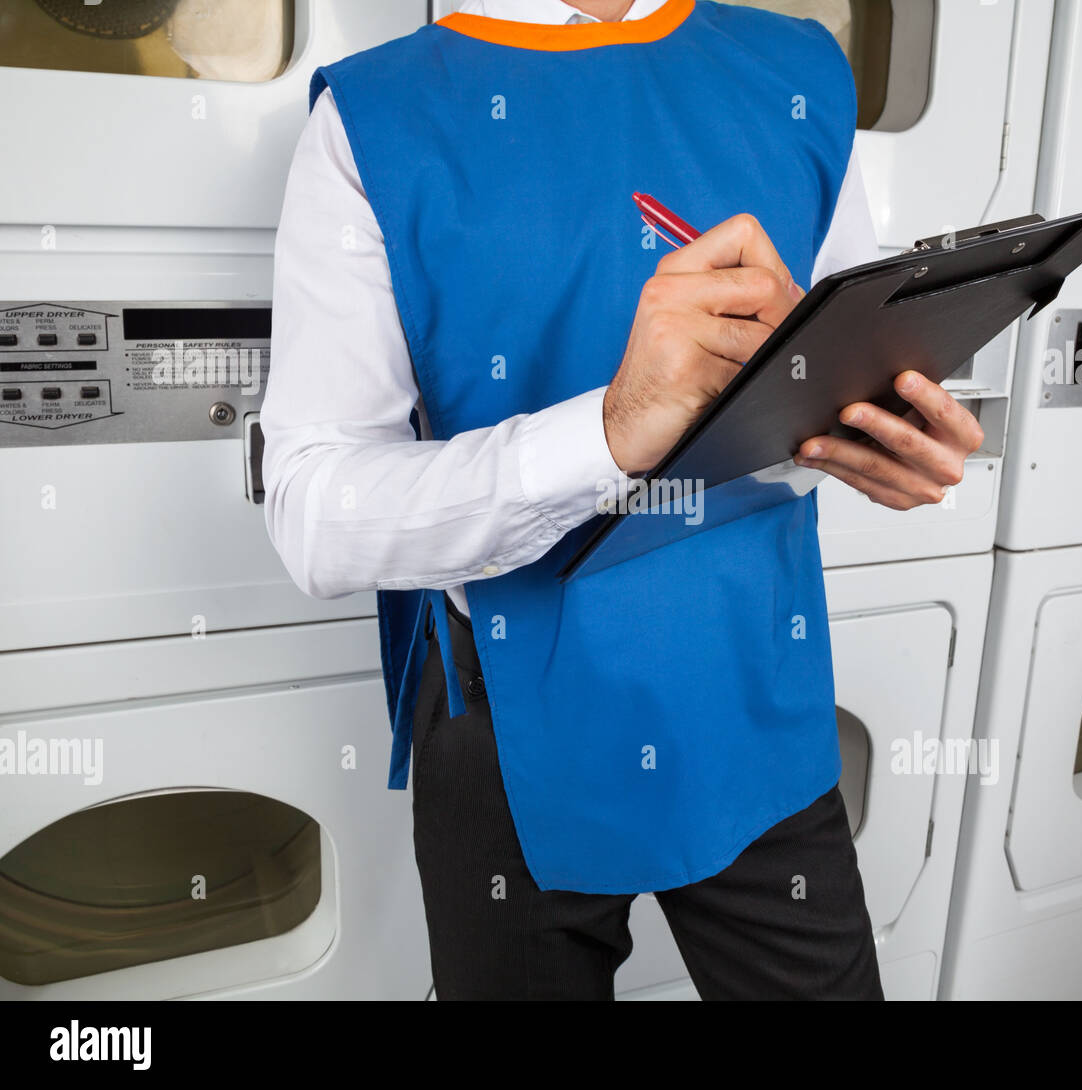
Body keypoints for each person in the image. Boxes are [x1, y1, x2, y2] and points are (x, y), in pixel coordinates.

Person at [261, 0, 984, 1000]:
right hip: (508, 723)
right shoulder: (373, 119)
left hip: (753, 681)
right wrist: (606, 433)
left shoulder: (800, 72)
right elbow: (309, 509)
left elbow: (825, 360)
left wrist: (872, 438)